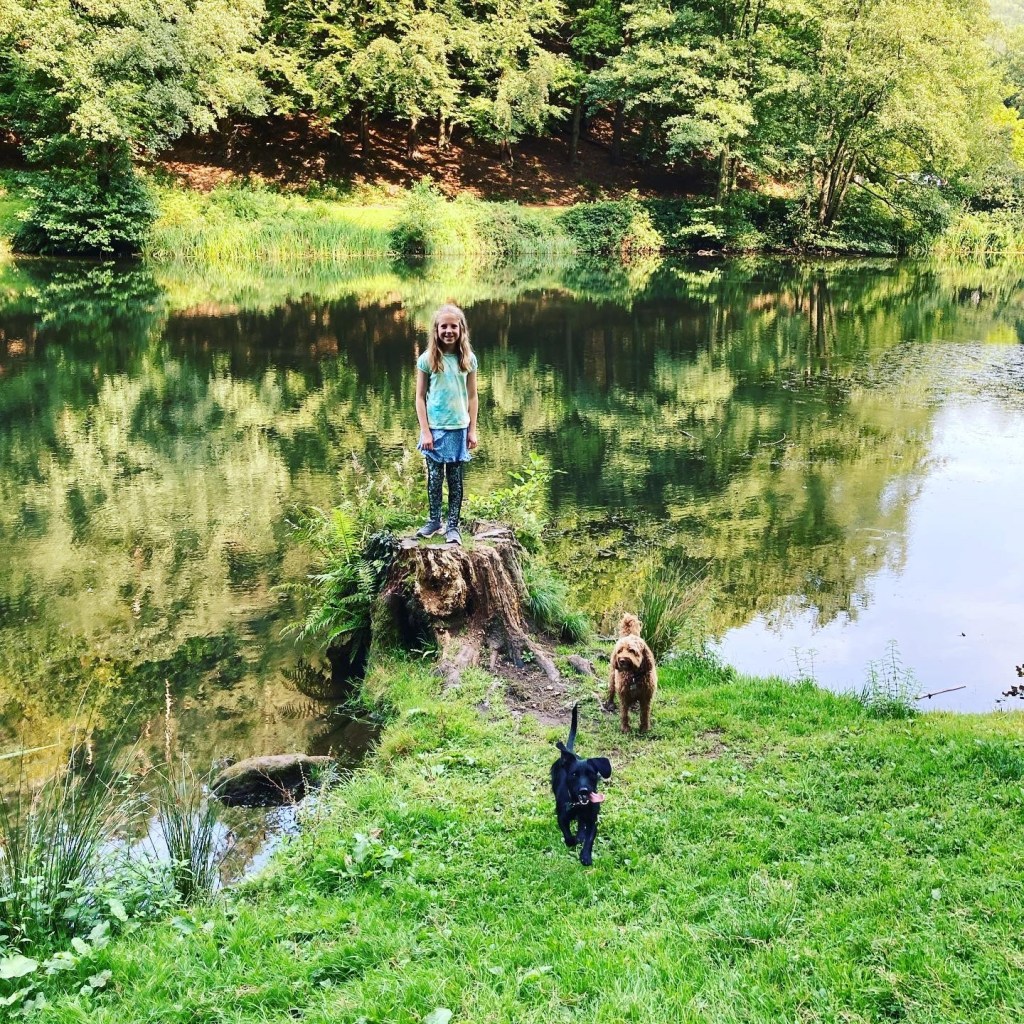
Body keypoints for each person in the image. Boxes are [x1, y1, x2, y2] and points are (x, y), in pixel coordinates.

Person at [415, 303, 478, 546]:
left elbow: (473, 397)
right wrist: (425, 431)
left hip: (459, 428)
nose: (448, 331)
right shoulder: (427, 360)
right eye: (444, 326)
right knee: (434, 478)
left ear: (461, 329)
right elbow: (420, 397)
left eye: (454, 326)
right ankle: (434, 521)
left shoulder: (468, 360)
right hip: (434, 429)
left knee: (455, 479)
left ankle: (453, 526)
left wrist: (472, 429)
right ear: (436, 330)